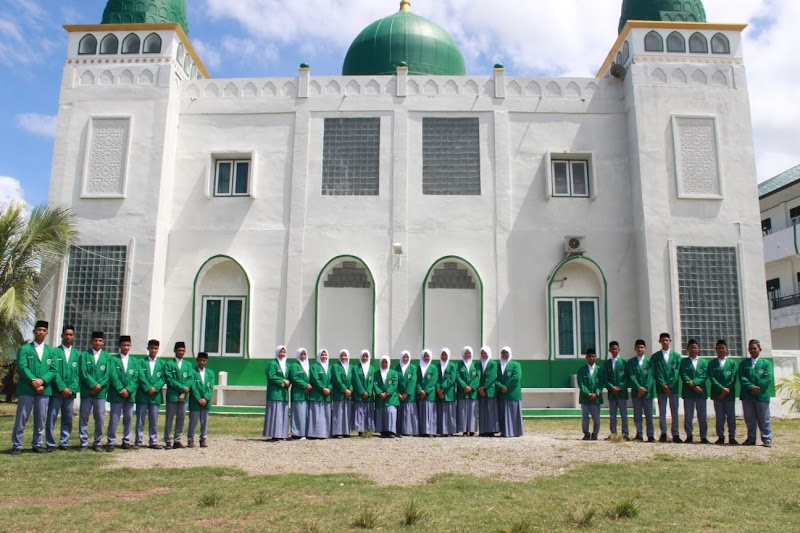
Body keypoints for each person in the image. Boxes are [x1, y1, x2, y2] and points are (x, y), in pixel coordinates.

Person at [11, 320, 55, 455]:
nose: (41, 332)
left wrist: (42, 381)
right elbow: (22, 367)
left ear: (47, 333)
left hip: (44, 390)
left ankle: (37, 443)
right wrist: (34, 381)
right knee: (22, 417)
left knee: (40, 417)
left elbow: (53, 369)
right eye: (39, 330)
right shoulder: (25, 349)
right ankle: (17, 445)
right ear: (34, 331)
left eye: (43, 330)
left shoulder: (50, 351)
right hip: (27, 389)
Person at [46, 325, 80, 451]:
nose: (68, 337)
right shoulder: (54, 352)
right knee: (52, 417)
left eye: (71, 335)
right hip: (56, 392)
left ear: (73, 337)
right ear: (62, 336)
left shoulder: (77, 354)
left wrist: (71, 388)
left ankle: (64, 442)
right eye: (66, 334)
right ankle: (50, 443)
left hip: (70, 394)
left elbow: (78, 374)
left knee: (67, 417)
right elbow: (54, 371)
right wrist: (61, 388)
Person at [79, 331, 111, 452]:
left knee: (99, 418)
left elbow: (108, 374)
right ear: (91, 341)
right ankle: (83, 442)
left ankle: (97, 442)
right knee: (84, 417)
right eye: (95, 340)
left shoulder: (107, 357)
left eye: (100, 340)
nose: (98, 342)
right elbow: (83, 372)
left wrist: (99, 385)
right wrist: (93, 385)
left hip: (100, 393)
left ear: (103, 342)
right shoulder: (84, 355)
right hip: (87, 392)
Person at [106, 335, 138, 452]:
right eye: (123, 345)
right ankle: (111, 441)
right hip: (117, 394)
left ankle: (126, 440)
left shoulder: (134, 361)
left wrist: (128, 389)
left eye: (128, 345)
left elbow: (135, 377)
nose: (126, 347)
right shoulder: (113, 359)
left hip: (129, 395)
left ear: (130, 346)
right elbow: (113, 375)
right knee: (114, 418)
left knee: (128, 418)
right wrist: (121, 389)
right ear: (119, 346)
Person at [739, 339, 773, 447]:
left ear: (760, 349)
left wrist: (757, 388)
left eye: (755, 348)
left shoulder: (766, 363)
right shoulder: (744, 363)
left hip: (762, 395)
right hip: (747, 395)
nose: (752, 350)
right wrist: (751, 387)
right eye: (750, 349)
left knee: (764, 418)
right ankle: (751, 438)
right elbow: (741, 377)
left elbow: (768, 377)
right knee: (749, 419)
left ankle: (766, 439)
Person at [136, 339, 165, 449]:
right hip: (143, 395)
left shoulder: (162, 364)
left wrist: (155, 388)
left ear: (158, 349)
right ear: (148, 348)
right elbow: (140, 376)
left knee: (154, 420)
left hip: (155, 396)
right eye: (151, 348)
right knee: (140, 420)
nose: (153, 350)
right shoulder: (140, 362)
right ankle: (138, 441)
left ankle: (153, 441)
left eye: (156, 348)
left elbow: (163, 378)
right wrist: (148, 387)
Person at [652, 333, 682, 443]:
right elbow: (656, 372)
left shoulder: (676, 356)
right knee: (662, 411)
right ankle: (663, 433)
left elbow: (676, 372)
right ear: (659, 341)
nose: (665, 342)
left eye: (667, 340)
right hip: (661, 388)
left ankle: (676, 434)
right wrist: (663, 384)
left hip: (673, 388)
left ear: (670, 341)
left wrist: (669, 385)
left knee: (674, 411)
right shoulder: (655, 357)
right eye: (663, 340)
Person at [164, 341, 194, 449]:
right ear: (175, 351)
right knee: (169, 419)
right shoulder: (169, 364)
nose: (181, 352)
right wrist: (182, 388)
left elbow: (190, 380)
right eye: (179, 350)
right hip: (172, 396)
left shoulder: (188, 365)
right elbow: (169, 380)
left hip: (183, 396)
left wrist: (183, 393)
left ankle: (177, 440)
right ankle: (167, 440)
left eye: (183, 350)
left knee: (181, 418)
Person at [708, 339, 738, 445]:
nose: (721, 350)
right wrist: (721, 389)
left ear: (727, 349)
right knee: (719, 417)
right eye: (719, 348)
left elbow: (733, 378)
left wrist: (726, 390)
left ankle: (732, 436)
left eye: (723, 348)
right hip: (717, 395)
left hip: (729, 394)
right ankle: (720, 436)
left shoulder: (732, 363)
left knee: (731, 416)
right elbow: (712, 378)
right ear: (715, 349)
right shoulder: (712, 363)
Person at [679, 339, 709, 444]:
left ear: (698, 349)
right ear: (687, 349)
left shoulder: (704, 362)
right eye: (691, 347)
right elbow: (683, 374)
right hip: (688, 392)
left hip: (701, 392)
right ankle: (689, 435)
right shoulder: (683, 362)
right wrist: (690, 383)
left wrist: (695, 383)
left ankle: (703, 436)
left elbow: (705, 375)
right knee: (688, 415)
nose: (693, 349)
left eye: (695, 347)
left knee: (702, 415)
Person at [628, 339, 655, 442]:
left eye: (642, 347)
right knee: (637, 415)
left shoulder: (650, 361)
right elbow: (631, 376)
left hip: (647, 393)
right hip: (636, 393)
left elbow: (651, 376)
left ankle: (650, 435)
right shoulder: (631, 362)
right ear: (635, 349)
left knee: (649, 415)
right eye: (638, 347)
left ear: (645, 349)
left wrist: (645, 389)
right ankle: (639, 434)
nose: (640, 349)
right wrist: (638, 388)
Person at [188, 352, 215, 448]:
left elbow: (210, 388)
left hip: (206, 403)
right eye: (200, 360)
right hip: (195, 402)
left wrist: (206, 398)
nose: (202, 362)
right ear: (197, 360)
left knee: (204, 422)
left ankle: (203, 439)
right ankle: (190, 440)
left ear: (206, 361)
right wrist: (199, 398)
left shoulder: (210, 373)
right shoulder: (192, 372)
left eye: (204, 360)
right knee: (193, 422)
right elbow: (193, 386)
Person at [264, 345, 291, 441]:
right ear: (277, 353)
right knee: (275, 413)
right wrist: (282, 381)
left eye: (284, 352)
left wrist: (287, 382)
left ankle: (282, 434)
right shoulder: (272, 364)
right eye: (280, 352)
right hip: (275, 393)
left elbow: (290, 377)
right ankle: (274, 434)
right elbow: (271, 376)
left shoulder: (287, 365)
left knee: (283, 413)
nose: (282, 354)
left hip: (284, 394)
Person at [604, 341, 629, 440]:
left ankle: (625, 434)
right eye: (612, 349)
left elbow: (627, 377)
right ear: (609, 350)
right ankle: (613, 433)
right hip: (612, 393)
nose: (614, 350)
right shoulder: (607, 363)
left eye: (616, 349)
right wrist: (611, 387)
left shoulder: (624, 362)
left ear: (619, 349)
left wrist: (620, 387)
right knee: (612, 415)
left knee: (623, 414)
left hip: (621, 393)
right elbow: (605, 378)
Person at [497, 346, 523, 437]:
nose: (504, 354)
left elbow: (516, 378)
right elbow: (495, 378)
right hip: (503, 394)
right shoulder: (498, 365)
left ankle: (515, 432)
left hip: (512, 393)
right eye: (502, 353)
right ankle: (505, 432)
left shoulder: (515, 364)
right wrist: (501, 387)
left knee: (513, 414)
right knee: (503, 414)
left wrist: (506, 386)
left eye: (506, 352)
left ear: (510, 353)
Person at [578, 348, 603, 440]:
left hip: (596, 398)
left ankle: (595, 433)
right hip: (585, 398)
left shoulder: (600, 370)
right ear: (586, 357)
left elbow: (601, 383)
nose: (591, 358)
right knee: (585, 417)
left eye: (593, 356)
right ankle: (586, 433)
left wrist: (596, 393)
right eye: (589, 356)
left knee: (596, 418)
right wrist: (588, 393)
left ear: (596, 357)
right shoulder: (581, 370)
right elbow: (581, 384)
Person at [307, 349, 332, 439]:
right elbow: (315, 379)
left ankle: (325, 433)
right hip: (317, 395)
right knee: (316, 415)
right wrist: (323, 388)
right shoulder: (315, 367)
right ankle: (315, 433)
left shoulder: (330, 367)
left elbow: (333, 381)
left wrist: (329, 388)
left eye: (325, 355)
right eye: (322, 355)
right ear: (318, 356)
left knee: (326, 415)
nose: (324, 357)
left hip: (327, 395)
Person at [288, 347, 311, 440]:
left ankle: (304, 432)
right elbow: (294, 377)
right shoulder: (294, 365)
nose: (303, 356)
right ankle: (296, 433)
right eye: (301, 354)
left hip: (307, 394)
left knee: (304, 414)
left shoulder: (308, 366)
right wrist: (305, 385)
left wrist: (309, 386)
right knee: (298, 413)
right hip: (298, 393)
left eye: (304, 354)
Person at [456, 346, 479, 436]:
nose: (467, 355)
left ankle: (472, 429)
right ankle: (464, 429)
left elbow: (478, 376)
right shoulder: (459, 365)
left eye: (469, 353)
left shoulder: (475, 365)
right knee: (463, 411)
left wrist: (472, 386)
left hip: (472, 393)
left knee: (472, 411)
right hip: (462, 392)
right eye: (465, 353)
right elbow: (457, 376)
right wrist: (464, 386)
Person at [373, 355, 399, 437]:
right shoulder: (376, 373)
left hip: (391, 397)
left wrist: (387, 393)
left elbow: (394, 384)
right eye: (382, 362)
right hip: (380, 397)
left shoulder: (394, 373)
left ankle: (391, 431)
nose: (384, 364)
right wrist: (380, 393)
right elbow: (374, 384)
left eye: (386, 362)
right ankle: (382, 431)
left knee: (390, 412)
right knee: (381, 413)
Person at [330, 349, 353, 438]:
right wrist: (344, 390)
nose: (344, 357)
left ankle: (346, 431)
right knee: (338, 413)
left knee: (347, 413)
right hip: (339, 394)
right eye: (342, 356)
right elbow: (337, 379)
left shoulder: (351, 367)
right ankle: (338, 432)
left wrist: (350, 389)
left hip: (348, 395)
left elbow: (353, 380)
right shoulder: (335, 366)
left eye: (345, 355)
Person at [477, 346, 499, 437]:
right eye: (482, 353)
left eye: (485, 353)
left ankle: (491, 430)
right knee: (482, 411)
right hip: (480, 391)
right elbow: (477, 377)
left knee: (490, 410)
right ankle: (483, 430)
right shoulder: (478, 364)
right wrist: (479, 388)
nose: (483, 355)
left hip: (489, 391)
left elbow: (492, 377)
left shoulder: (493, 364)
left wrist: (484, 388)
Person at [351, 350, 375, 436]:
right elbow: (356, 380)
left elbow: (372, 381)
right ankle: (359, 429)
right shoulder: (356, 368)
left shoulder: (371, 369)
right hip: (359, 395)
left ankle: (368, 428)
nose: (365, 358)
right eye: (363, 356)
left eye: (366, 356)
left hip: (368, 396)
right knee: (359, 411)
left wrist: (368, 391)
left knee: (368, 411)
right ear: (360, 357)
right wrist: (362, 391)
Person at [395, 350, 418, 436]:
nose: (405, 358)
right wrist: (398, 393)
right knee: (400, 414)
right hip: (399, 396)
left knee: (409, 413)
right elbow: (395, 382)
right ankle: (400, 430)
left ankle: (410, 431)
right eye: (404, 357)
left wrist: (407, 393)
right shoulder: (396, 368)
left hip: (409, 396)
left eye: (407, 357)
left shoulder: (413, 368)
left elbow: (413, 381)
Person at [436, 348, 457, 436]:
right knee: (441, 412)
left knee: (450, 412)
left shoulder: (452, 366)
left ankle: (450, 430)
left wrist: (442, 388)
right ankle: (441, 430)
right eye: (442, 355)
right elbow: (435, 379)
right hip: (439, 393)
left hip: (448, 392)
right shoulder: (437, 366)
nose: (444, 357)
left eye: (445, 355)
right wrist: (438, 389)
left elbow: (452, 379)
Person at [416, 349, 437, 437]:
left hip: (429, 394)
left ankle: (429, 431)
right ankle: (422, 431)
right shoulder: (419, 367)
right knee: (421, 412)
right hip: (421, 394)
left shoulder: (433, 368)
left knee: (430, 412)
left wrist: (426, 391)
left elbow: (433, 381)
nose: (426, 358)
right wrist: (420, 389)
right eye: (424, 356)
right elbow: (416, 380)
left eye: (428, 356)